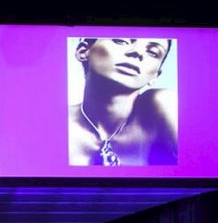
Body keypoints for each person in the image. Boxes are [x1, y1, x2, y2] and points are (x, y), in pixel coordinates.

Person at [68, 37, 178, 167]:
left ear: (155, 76)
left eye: (153, 52)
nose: (138, 52)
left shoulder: (163, 104)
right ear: (83, 51)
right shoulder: (56, 121)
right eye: (121, 41)